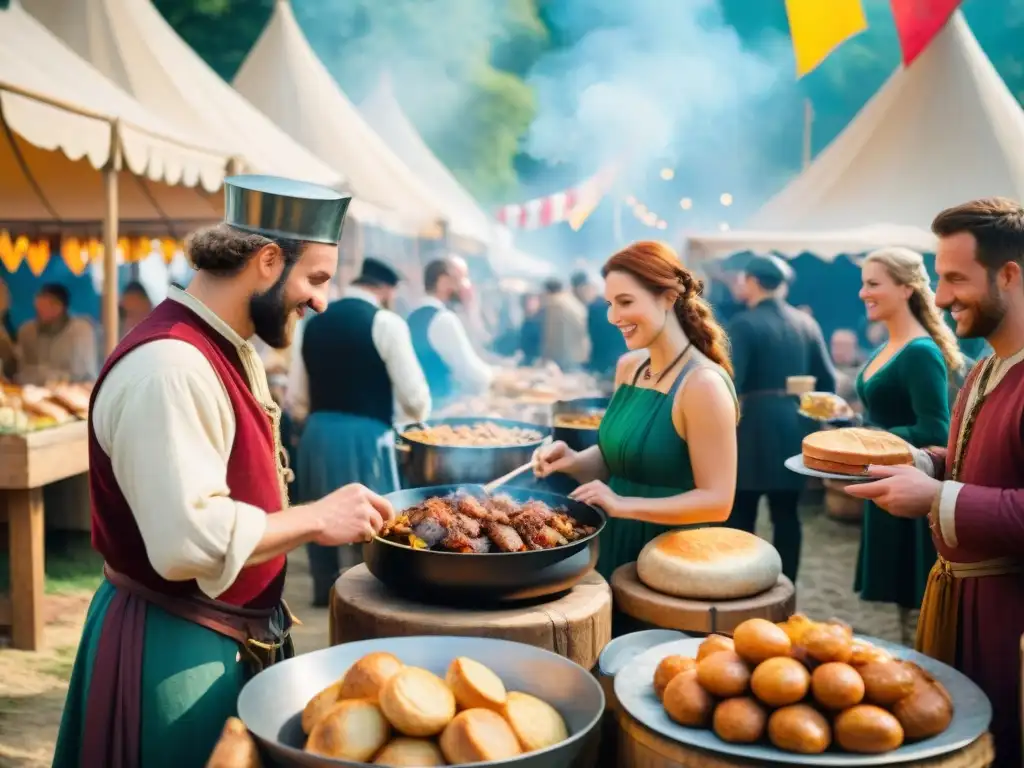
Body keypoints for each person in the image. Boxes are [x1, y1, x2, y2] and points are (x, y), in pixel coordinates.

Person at [53, 175, 397, 768]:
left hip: (220, 635)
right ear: (267, 260)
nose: (321, 301)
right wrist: (314, 518)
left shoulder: (226, 344)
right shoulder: (170, 366)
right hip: (174, 647)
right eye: (316, 279)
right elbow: (183, 541)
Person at [845, 198, 1024, 767]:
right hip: (953, 595)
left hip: (1009, 617)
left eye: (954, 279)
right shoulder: (986, 364)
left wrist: (938, 497)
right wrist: (925, 465)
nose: (940, 298)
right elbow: (979, 457)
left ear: (1011, 275)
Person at [533, 241, 738, 591]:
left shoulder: (702, 384)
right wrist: (572, 461)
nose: (613, 317)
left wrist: (623, 504)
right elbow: (622, 457)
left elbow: (718, 502)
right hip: (612, 542)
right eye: (611, 304)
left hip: (672, 557)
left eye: (626, 302)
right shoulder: (630, 367)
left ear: (669, 297)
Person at [286, 257, 430, 605]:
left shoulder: (311, 323)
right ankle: (369, 597)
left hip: (318, 435)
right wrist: (413, 419)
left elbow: (297, 397)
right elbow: (415, 399)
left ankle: (324, 592)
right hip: (367, 436)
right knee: (372, 520)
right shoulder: (387, 323)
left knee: (318, 514)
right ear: (383, 289)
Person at [853, 248, 961, 643]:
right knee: (899, 599)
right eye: (863, 282)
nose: (863, 292)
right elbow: (882, 418)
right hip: (886, 478)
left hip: (911, 483)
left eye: (873, 283)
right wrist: (849, 427)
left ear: (906, 288)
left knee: (915, 599)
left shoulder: (920, 352)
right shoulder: (890, 346)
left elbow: (935, 428)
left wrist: (867, 439)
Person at [725, 254, 836, 582]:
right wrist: (812, 425)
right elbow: (827, 384)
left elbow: (732, 383)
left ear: (752, 281)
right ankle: (786, 587)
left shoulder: (744, 324)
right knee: (788, 515)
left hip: (752, 431)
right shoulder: (807, 323)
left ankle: (741, 584)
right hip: (795, 427)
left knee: (741, 514)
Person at [407, 258, 493, 406]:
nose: (465, 285)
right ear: (443, 282)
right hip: (440, 408)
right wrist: (496, 378)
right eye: (461, 279)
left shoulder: (412, 314)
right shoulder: (443, 319)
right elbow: (470, 372)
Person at [16, 282, 97, 384]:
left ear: (59, 307)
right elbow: (22, 370)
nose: (39, 311)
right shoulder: (27, 331)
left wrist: (49, 377)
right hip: (32, 393)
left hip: (74, 393)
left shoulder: (80, 331)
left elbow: (82, 374)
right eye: (37, 307)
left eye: (44, 306)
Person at [572, 270, 627, 377]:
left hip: (603, 364)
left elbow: (593, 338)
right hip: (619, 362)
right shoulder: (617, 305)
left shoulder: (595, 307)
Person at [540, 277, 589, 371]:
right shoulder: (572, 301)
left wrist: (546, 356)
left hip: (565, 356)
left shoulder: (554, 303)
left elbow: (550, 334)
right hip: (579, 354)